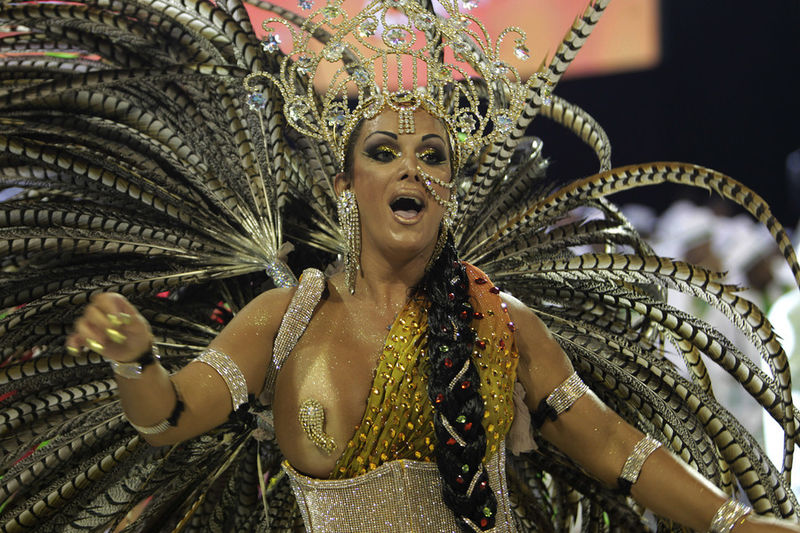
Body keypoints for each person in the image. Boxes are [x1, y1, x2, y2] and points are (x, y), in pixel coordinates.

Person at [2, 0, 800, 531]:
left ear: (450, 187)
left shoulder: (500, 322)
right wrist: (136, 359)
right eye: (385, 151)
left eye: (433, 155)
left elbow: (615, 445)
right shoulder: (286, 321)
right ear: (347, 185)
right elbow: (170, 415)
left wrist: (737, 522)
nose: (412, 168)